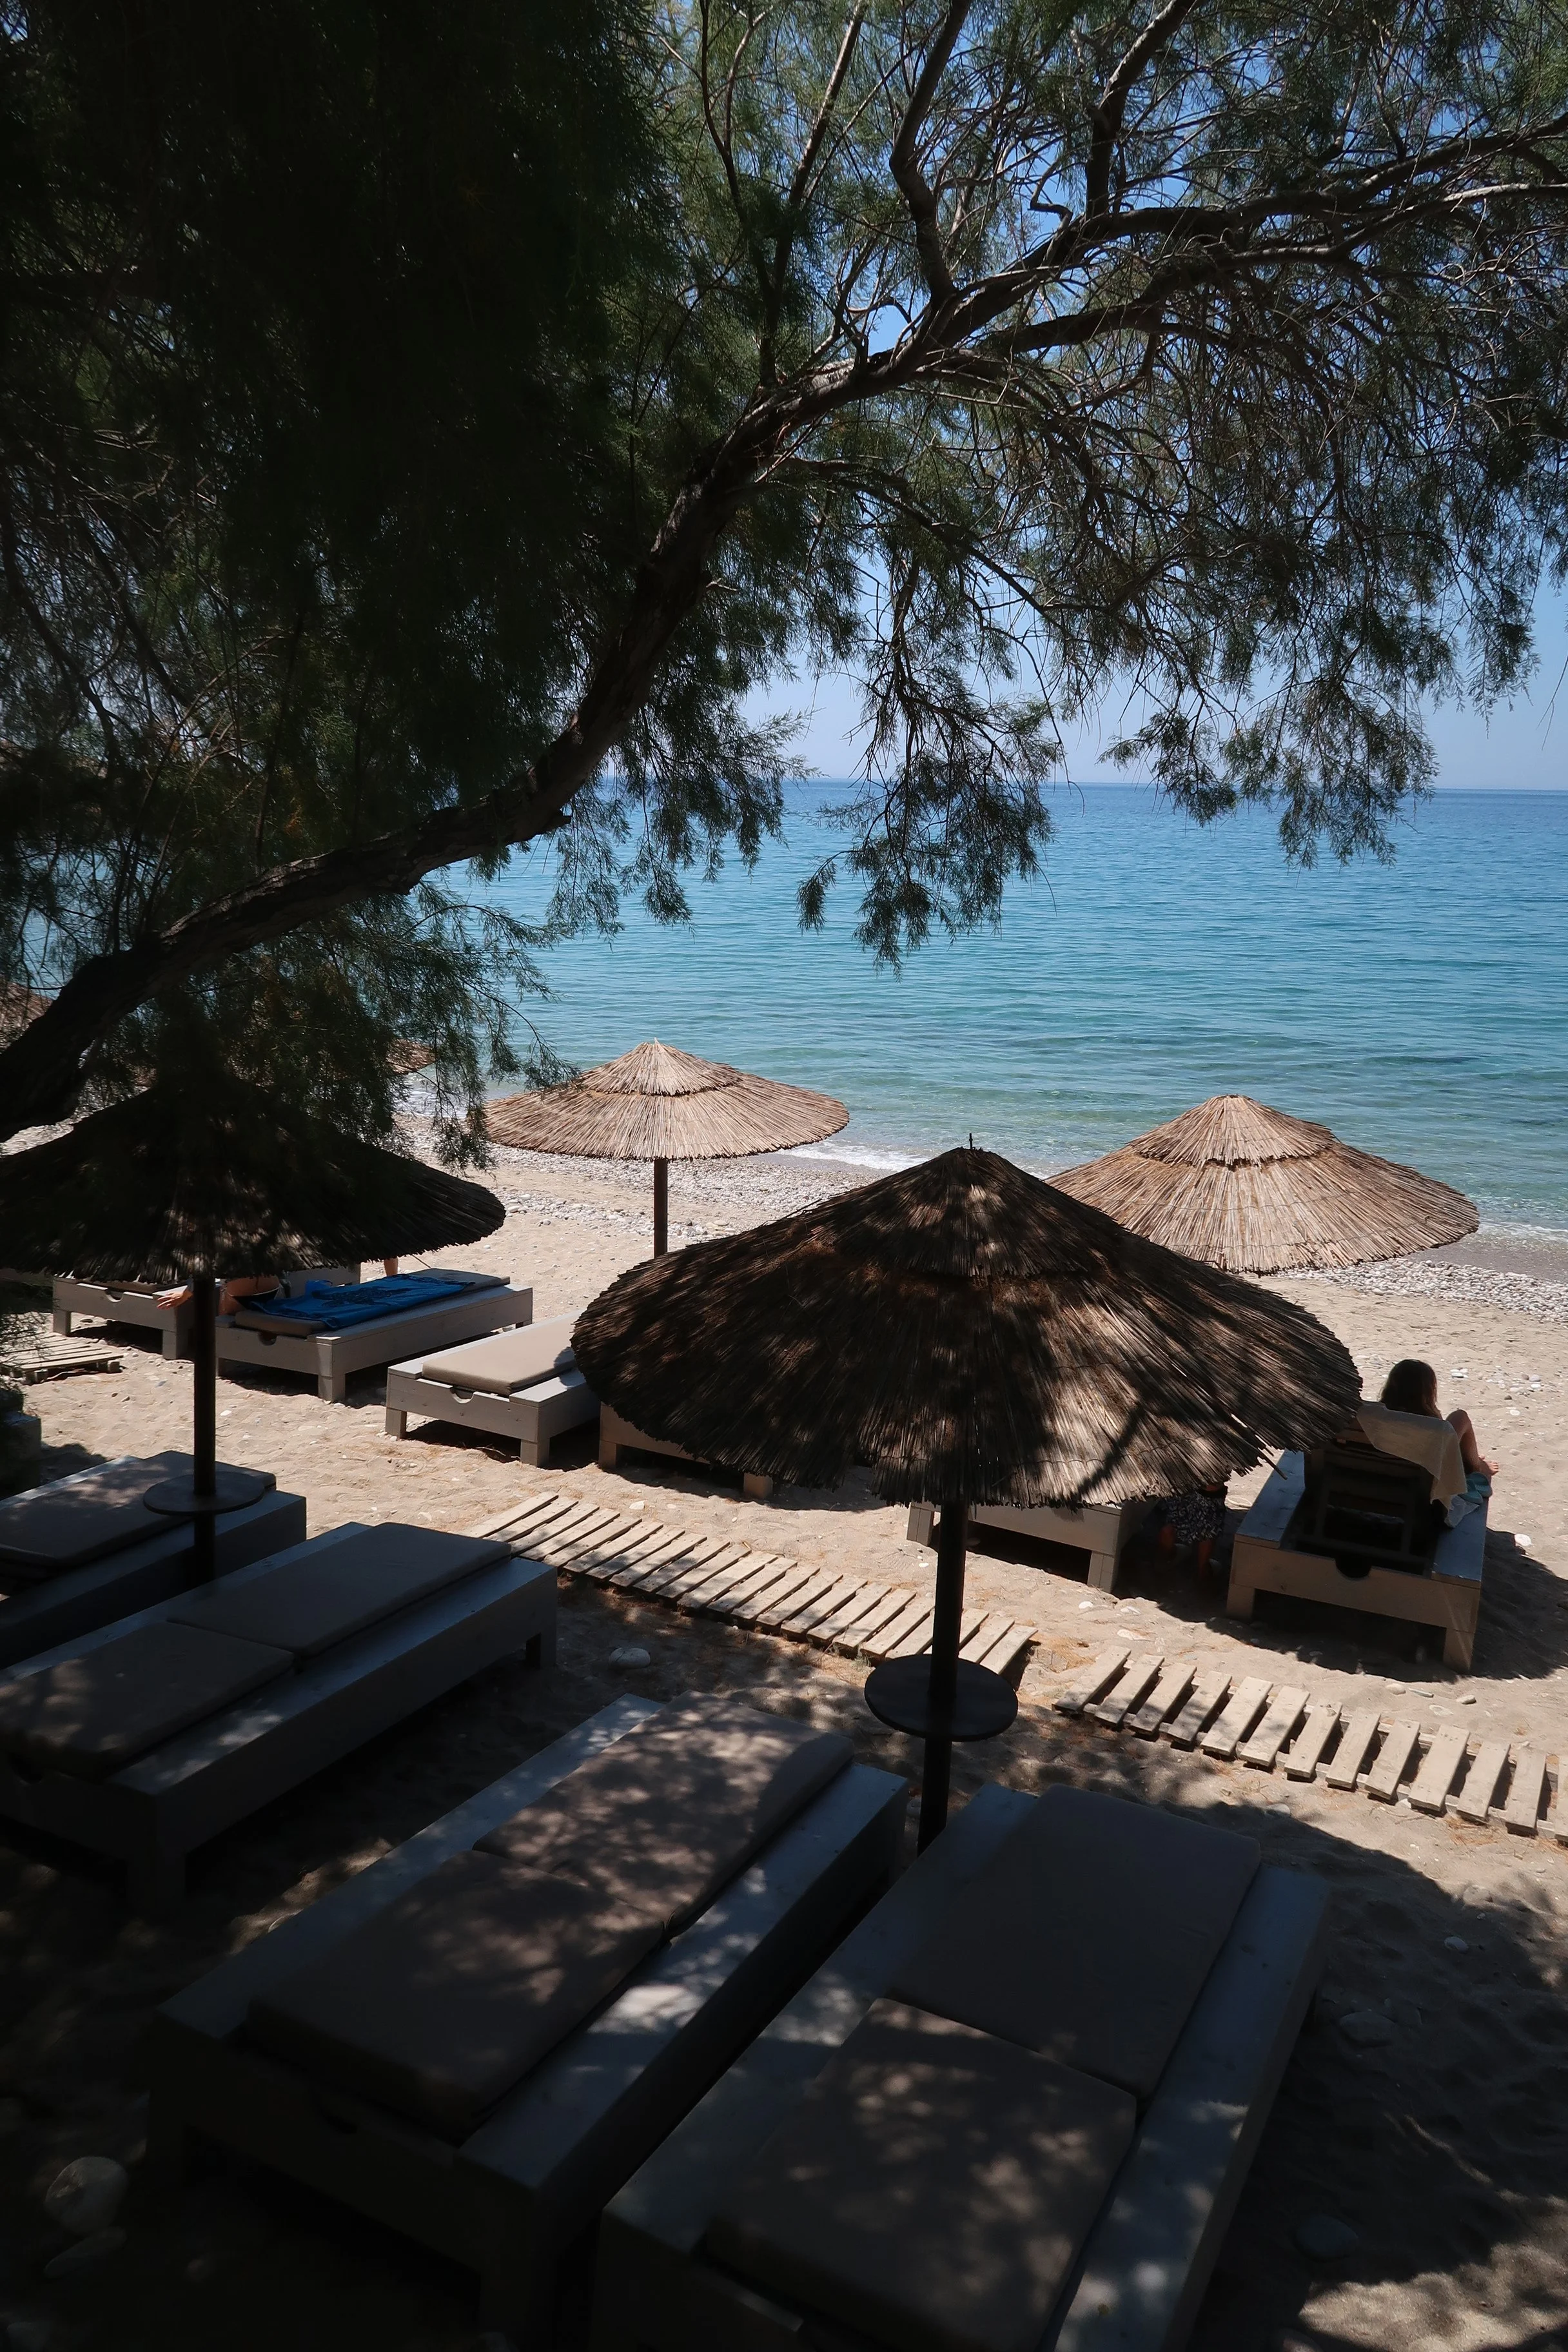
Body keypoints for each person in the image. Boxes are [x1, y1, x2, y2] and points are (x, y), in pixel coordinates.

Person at [1380, 1358, 1498, 1478]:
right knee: (1460, 1417)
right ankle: (1477, 1466)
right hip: (1421, 1482)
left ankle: (1471, 1458)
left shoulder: (1374, 1417)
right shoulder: (1431, 1424)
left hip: (1382, 1473)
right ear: (1429, 1392)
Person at [1153, 1480, 1228, 1575]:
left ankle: (1164, 1560)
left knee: (1173, 1517)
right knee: (1208, 1527)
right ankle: (1203, 1573)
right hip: (1207, 1488)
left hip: (1178, 1479)